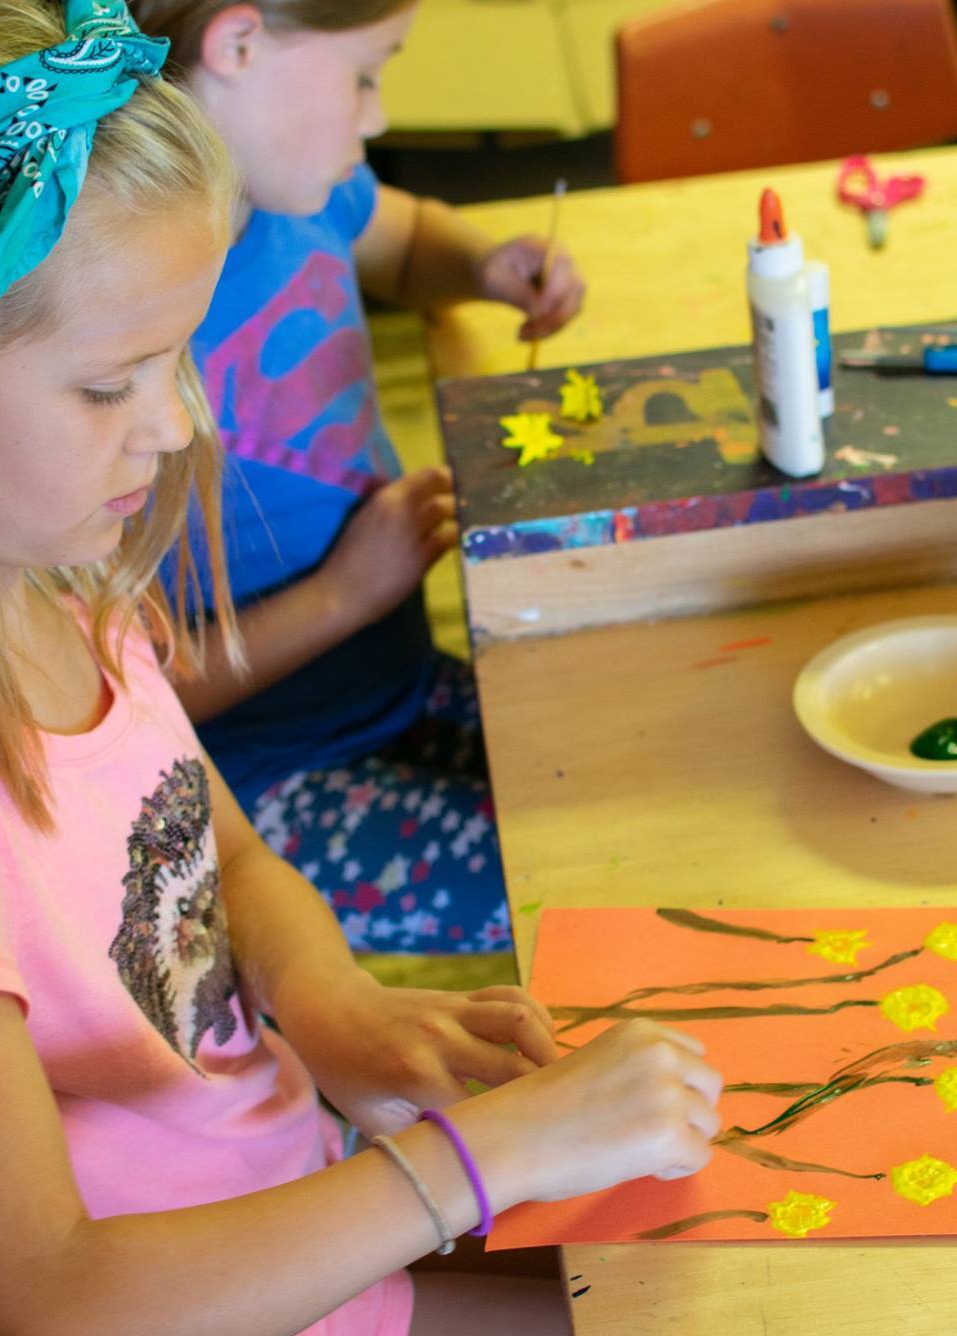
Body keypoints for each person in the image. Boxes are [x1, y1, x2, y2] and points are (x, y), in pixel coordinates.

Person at [0, 2, 715, 1336]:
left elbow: (206, 837)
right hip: (192, 1319)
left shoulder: (30, 568)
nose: (173, 426)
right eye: (112, 384)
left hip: (280, 1209)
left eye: (179, 356)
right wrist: (469, 1164)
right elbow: (48, 1307)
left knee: (694, 1267)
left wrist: (332, 1003)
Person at [130, 0, 586, 955]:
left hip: (396, 687)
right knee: (584, 875)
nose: (376, 117)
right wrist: (347, 592)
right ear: (239, 43)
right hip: (258, 791)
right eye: (366, 73)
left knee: (623, 776)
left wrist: (481, 264)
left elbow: (408, 242)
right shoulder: (118, 315)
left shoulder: (303, 187)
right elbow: (118, 688)